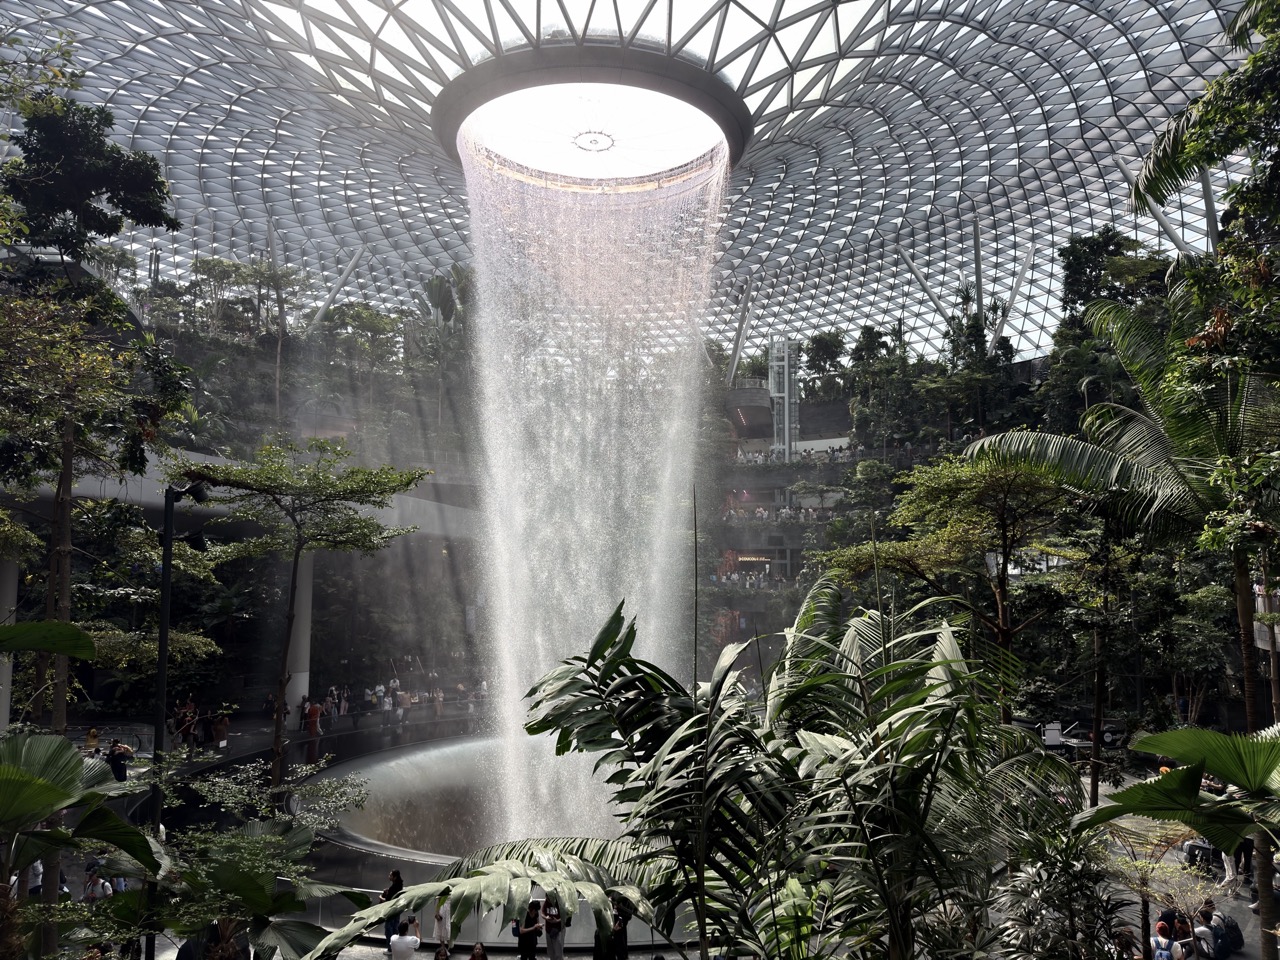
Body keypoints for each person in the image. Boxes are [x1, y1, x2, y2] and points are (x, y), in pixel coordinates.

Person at [381, 870, 405, 952]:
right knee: (395, 928)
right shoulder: (399, 886)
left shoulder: (393, 888)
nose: (389, 876)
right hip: (397, 910)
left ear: (395, 877)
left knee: (388, 928)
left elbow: (387, 900)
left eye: (390, 875)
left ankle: (390, 948)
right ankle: (395, 947)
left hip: (391, 911)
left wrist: (380, 897)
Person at [542, 891, 564, 960]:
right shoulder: (546, 902)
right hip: (548, 929)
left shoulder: (559, 903)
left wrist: (557, 920)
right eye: (547, 898)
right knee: (550, 950)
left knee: (558, 950)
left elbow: (565, 916)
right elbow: (542, 913)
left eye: (549, 899)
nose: (548, 900)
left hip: (558, 929)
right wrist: (546, 918)